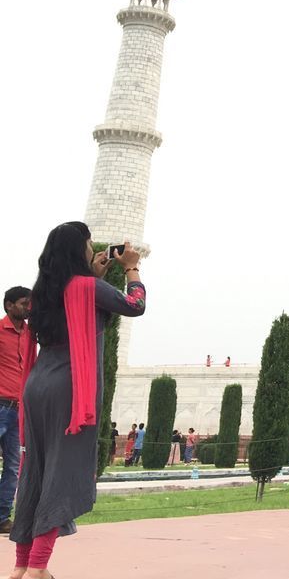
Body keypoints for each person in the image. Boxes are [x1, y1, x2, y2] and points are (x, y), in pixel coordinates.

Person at [9, 223, 146, 578]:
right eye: (88, 245)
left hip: (37, 387)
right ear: (78, 250)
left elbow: (80, 305)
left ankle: (21, 567)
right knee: (61, 475)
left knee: (35, 474)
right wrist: (132, 268)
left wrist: (95, 274)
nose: (92, 250)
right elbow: (135, 305)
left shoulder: (42, 293)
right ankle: (39, 568)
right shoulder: (87, 288)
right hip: (70, 390)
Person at [0, 286, 32, 535]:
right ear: (9, 305)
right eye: (23, 303)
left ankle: (1, 518)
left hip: (20, 409)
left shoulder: (31, 334)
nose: (28, 307)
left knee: (13, 466)